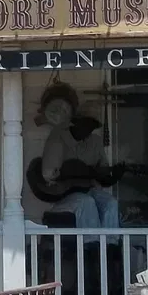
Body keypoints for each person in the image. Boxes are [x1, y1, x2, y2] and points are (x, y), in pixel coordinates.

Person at [36, 82, 121, 228]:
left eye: (93, 126)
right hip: (62, 194)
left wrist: (116, 175)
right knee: (86, 203)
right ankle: (91, 245)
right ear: (76, 122)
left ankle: (110, 246)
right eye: (86, 124)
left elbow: (104, 176)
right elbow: (48, 174)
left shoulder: (95, 141)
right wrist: (76, 172)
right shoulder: (58, 137)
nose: (89, 129)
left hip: (88, 191)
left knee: (110, 203)